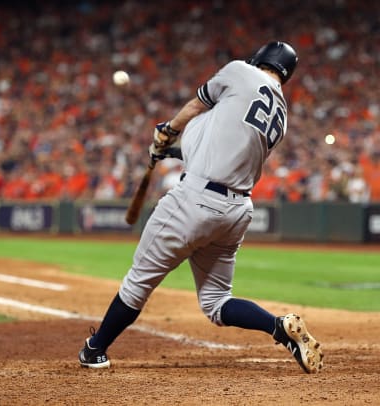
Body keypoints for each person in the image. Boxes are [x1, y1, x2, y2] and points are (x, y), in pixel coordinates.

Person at [78, 41, 324, 373]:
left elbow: (196, 105)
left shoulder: (240, 71)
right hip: (236, 212)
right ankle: (278, 327)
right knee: (217, 302)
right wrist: (173, 151)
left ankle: (95, 349)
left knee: (137, 283)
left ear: (260, 59)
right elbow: (224, 147)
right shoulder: (280, 115)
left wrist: (168, 131)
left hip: (194, 201)